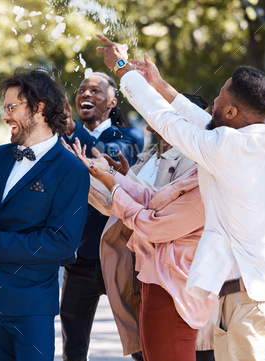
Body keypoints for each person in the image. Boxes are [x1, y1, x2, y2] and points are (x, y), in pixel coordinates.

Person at [97, 33, 265, 361]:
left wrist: (123, 69)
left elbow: (167, 123)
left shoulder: (224, 147)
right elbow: (202, 124)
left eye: (220, 96)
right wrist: (161, 85)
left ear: (233, 112)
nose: (214, 103)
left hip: (245, 300)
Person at [0, 68, 89, 361]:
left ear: (39, 109)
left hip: (31, 308)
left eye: (12, 107)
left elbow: (62, 242)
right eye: (5, 108)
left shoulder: (71, 169)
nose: (5, 116)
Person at [90, 95, 216, 361]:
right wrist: (113, 177)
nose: (150, 124)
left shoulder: (200, 169)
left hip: (174, 284)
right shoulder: (149, 156)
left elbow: (157, 222)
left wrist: (113, 184)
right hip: (147, 272)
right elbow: (149, 197)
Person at [59, 72, 143, 361]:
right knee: (73, 345)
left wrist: (71, 129)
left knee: (139, 341)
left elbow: (103, 159)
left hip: (120, 255)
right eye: (82, 90)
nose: (86, 94)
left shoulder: (129, 137)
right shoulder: (61, 140)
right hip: (78, 259)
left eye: (96, 90)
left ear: (112, 101)